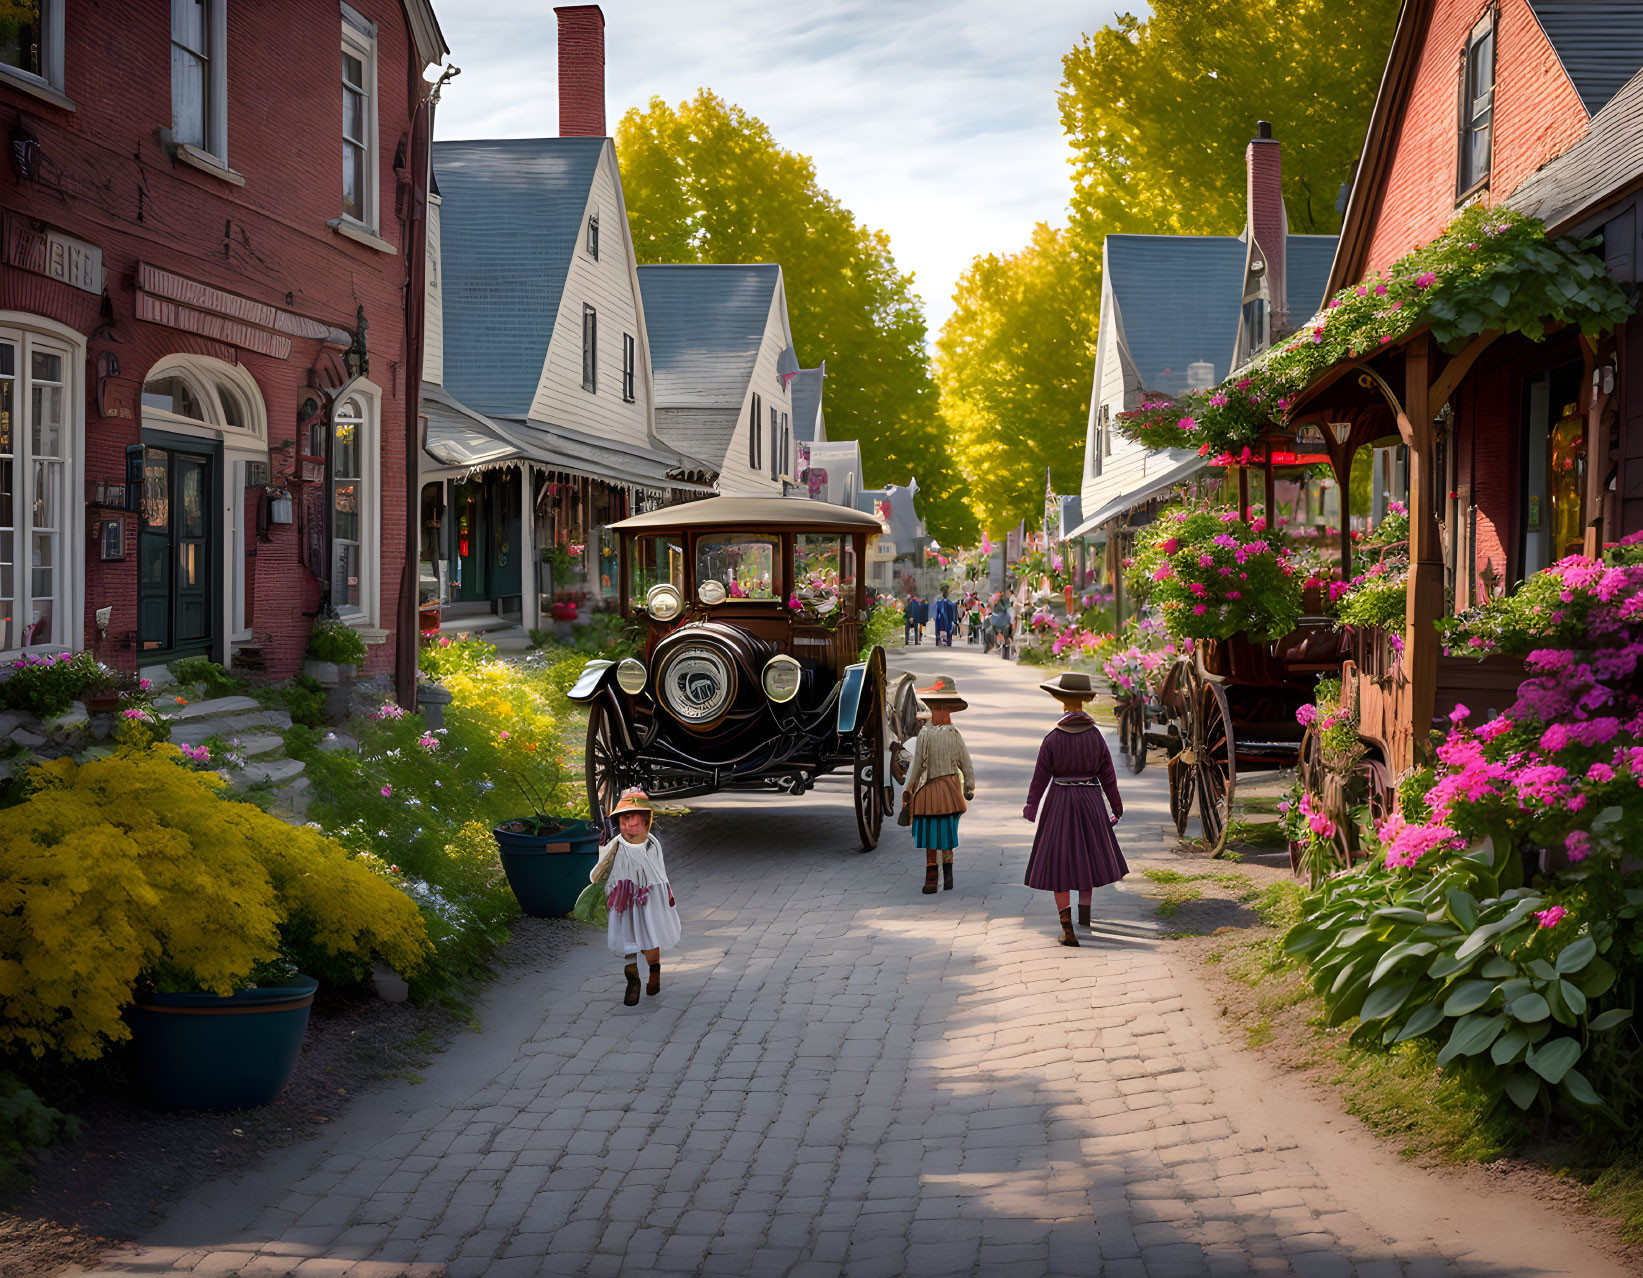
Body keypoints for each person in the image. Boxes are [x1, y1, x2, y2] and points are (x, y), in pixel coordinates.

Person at [1022, 671, 1128, 946]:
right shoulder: (1096, 737)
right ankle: (1086, 918)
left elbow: (1040, 778)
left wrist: (1031, 807)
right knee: (1087, 860)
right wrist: (1116, 806)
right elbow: (1108, 775)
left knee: (1060, 864)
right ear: (1084, 701)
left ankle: (1067, 929)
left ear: (1061, 701)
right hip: (1091, 802)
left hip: (1060, 802)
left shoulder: (1052, 739)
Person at [589, 789, 682, 1005]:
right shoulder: (617, 845)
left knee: (650, 937)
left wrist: (667, 895)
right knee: (628, 938)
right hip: (624, 900)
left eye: (635, 822)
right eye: (625, 821)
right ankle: (633, 982)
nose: (629, 827)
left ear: (647, 822)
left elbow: (660, 872)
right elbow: (599, 872)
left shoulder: (652, 845)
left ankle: (654, 973)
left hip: (649, 899)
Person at [902, 676, 976, 893]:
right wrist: (968, 786)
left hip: (931, 790)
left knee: (935, 831)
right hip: (947, 790)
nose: (939, 712)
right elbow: (965, 762)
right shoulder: (948, 734)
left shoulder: (931, 734)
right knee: (941, 831)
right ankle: (939, 876)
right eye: (937, 707)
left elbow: (963, 762)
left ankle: (939, 876)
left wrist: (909, 787)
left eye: (941, 708)